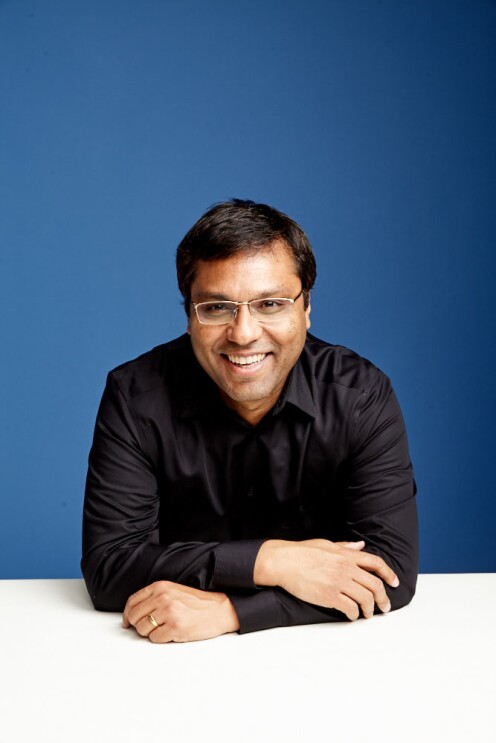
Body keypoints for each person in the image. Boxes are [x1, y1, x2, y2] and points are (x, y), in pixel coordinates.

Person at [82, 199, 418, 643]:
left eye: (270, 304)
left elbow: (390, 571)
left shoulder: (361, 397)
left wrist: (232, 611)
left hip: (331, 660)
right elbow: (110, 568)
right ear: (189, 315)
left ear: (306, 306)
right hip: (166, 667)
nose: (243, 333)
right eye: (217, 307)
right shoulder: (135, 396)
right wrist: (273, 560)